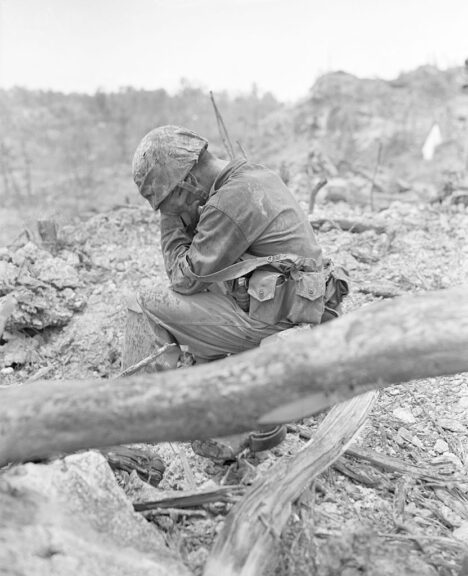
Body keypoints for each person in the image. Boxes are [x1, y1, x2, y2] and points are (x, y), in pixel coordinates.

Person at [124, 125, 346, 460]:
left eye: (167, 203)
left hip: (278, 318)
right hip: (299, 303)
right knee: (211, 283)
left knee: (150, 300)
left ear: (186, 184)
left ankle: (171, 401)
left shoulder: (228, 202)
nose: (169, 213)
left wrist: (172, 225)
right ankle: (213, 379)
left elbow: (182, 278)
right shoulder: (251, 174)